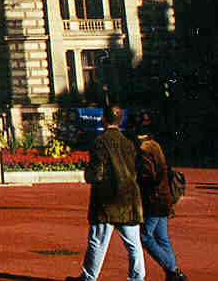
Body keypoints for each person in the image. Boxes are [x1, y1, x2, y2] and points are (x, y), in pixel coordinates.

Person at [67, 106, 144, 281]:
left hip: (107, 199)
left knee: (97, 242)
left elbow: (97, 172)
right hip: (129, 198)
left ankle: (89, 277)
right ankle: (137, 278)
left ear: (103, 119)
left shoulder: (100, 142)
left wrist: (88, 175)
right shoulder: (129, 142)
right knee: (134, 244)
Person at [134, 112, 187, 281]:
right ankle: (173, 273)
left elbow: (148, 176)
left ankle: (173, 270)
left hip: (153, 199)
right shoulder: (156, 146)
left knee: (145, 236)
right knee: (162, 237)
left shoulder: (143, 150)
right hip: (164, 197)